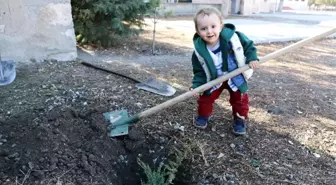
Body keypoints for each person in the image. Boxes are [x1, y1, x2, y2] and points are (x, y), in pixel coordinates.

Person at [190, 7, 259, 135]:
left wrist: (252, 58)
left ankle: (239, 119)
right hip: (214, 79)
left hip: (235, 75)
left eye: (213, 26)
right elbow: (199, 71)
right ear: (198, 32)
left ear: (221, 26)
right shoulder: (199, 52)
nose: (209, 31)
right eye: (204, 29)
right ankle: (203, 116)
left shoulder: (234, 38)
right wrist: (197, 85)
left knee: (240, 99)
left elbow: (249, 46)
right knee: (205, 98)